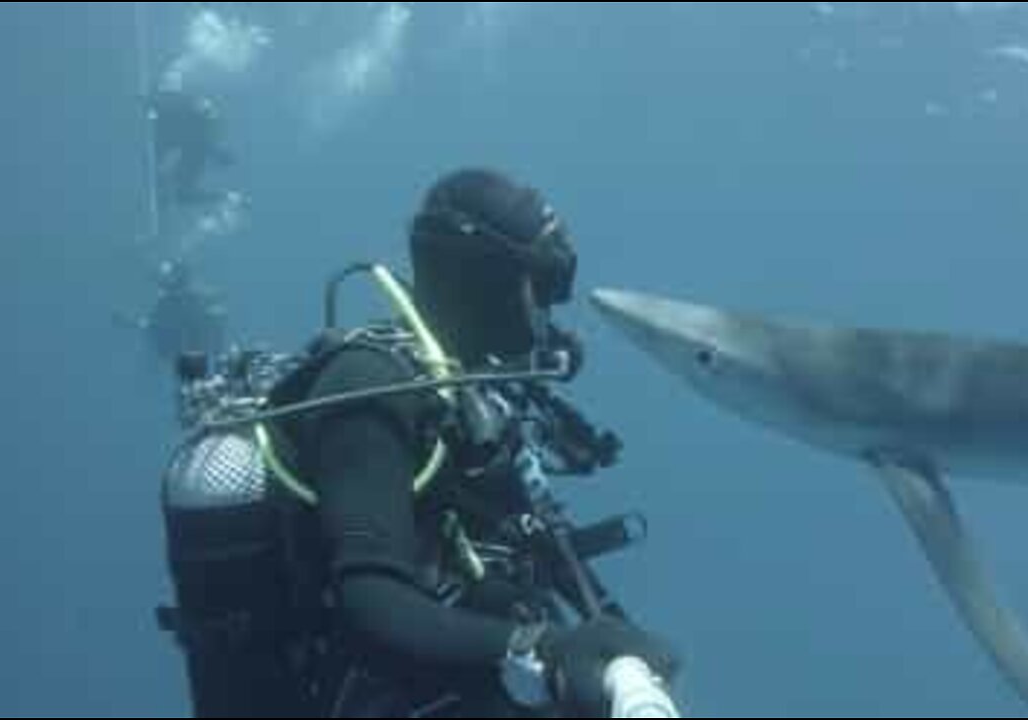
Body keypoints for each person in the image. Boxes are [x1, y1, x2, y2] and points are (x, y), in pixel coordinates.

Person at [158, 168, 680, 718]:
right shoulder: (368, 386)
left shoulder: (469, 403)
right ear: (486, 281)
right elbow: (372, 599)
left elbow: (537, 543)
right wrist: (541, 655)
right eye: (546, 283)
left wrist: (620, 643)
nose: (551, 310)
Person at [120, 260, 228, 368]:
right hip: (184, 357)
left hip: (184, 358)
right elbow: (152, 324)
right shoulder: (189, 299)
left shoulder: (173, 303)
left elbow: (152, 324)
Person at [148, 88, 237, 210]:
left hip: (153, 141)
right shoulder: (206, 122)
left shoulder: (198, 155)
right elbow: (184, 195)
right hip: (153, 125)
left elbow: (183, 195)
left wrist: (219, 197)